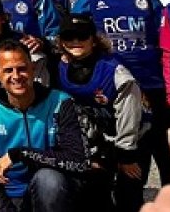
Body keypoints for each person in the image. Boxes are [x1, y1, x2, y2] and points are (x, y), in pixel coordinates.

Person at [73, 0, 170, 187]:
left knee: (164, 154)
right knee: (125, 163)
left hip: (151, 86)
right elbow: (72, 36)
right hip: (112, 89)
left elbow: (164, 36)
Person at [0, 42, 88, 212]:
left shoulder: (61, 102)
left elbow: (78, 161)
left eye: (22, 68)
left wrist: (20, 154)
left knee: (48, 179)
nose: (17, 76)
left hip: (56, 193)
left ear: (33, 69)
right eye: (8, 70)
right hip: (10, 196)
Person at [52, 13, 146, 212]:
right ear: (61, 42)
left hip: (130, 135)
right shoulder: (58, 66)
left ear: (93, 40)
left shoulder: (115, 71)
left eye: (82, 36)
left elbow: (129, 113)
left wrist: (126, 156)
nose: (76, 41)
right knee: (93, 193)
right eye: (69, 36)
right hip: (92, 141)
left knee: (127, 190)